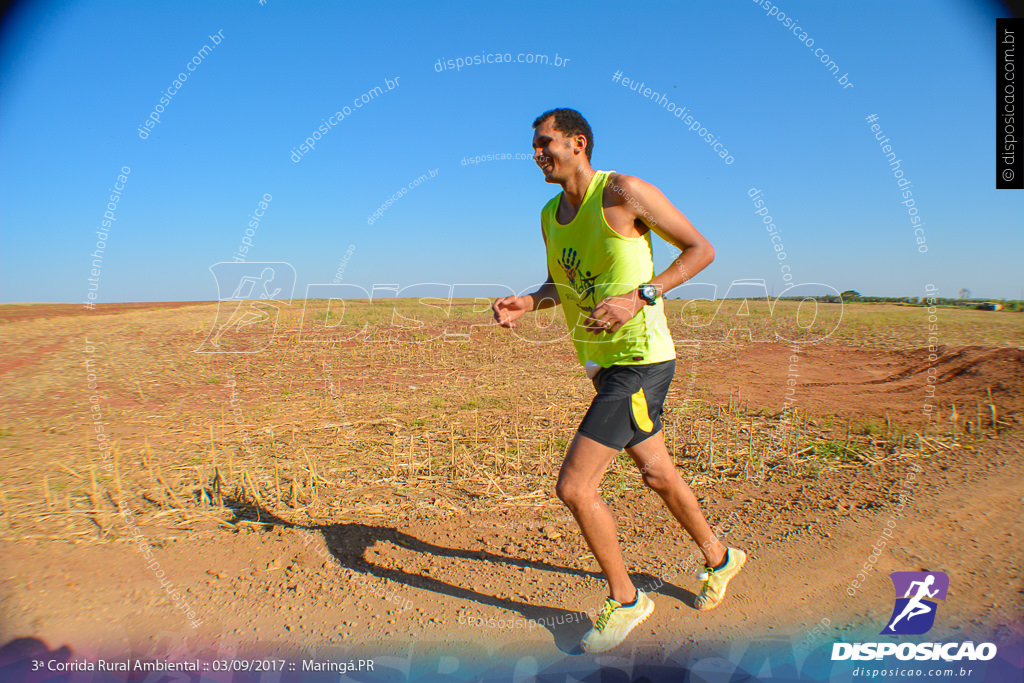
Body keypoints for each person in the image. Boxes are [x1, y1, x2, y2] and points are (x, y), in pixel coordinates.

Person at [492, 108, 746, 653]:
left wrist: (641, 295)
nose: (536, 154)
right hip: (600, 364)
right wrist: (530, 300)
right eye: (534, 146)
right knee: (656, 472)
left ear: (577, 143)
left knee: (576, 487)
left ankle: (627, 599)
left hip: (641, 360)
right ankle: (720, 558)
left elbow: (701, 250)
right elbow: (564, 281)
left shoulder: (624, 192)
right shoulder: (548, 214)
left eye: (545, 143)